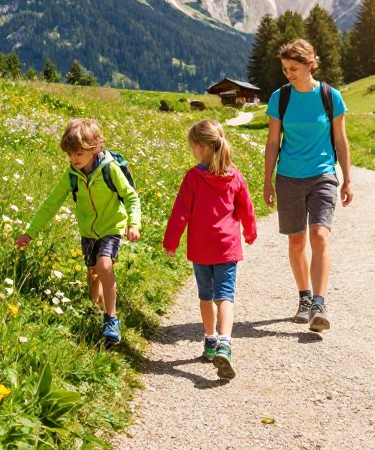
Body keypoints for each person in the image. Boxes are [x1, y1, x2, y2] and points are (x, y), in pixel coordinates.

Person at [15, 118, 140, 346]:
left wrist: (134, 222)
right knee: (93, 275)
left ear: (94, 148)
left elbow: (130, 195)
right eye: (70, 154)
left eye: (79, 154)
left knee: (104, 265)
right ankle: (97, 310)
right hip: (88, 231)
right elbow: (51, 204)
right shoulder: (72, 175)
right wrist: (30, 233)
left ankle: (112, 319)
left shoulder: (109, 169)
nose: (73, 159)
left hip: (112, 226)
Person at [262, 38, 353, 332]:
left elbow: (341, 140)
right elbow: (273, 142)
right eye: (285, 69)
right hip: (288, 177)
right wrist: (267, 180)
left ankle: (319, 304)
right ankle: (304, 297)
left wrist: (347, 179)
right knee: (297, 240)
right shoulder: (280, 98)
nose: (288, 74)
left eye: (294, 68)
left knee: (319, 236)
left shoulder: (330, 96)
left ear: (310, 65)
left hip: (322, 174)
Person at [163, 119, 256, 380]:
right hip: (227, 247)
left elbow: (181, 212)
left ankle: (210, 340)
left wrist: (171, 241)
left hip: (201, 248)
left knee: (206, 296)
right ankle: (225, 343)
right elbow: (246, 207)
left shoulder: (194, 177)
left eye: (193, 146)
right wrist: (250, 232)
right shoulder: (234, 175)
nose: (192, 150)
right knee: (225, 297)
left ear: (202, 147)